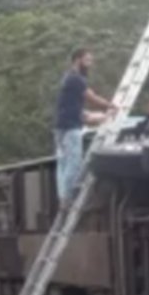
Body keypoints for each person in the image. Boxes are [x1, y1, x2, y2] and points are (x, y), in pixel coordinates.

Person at [54, 48, 116, 203]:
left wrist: (102, 117)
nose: (90, 64)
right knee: (73, 163)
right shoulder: (76, 79)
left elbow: (80, 112)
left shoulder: (68, 79)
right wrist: (111, 106)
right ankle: (68, 197)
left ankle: (63, 196)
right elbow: (91, 97)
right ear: (77, 60)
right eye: (87, 60)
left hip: (61, 127)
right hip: (70, 129)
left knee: (63, 164)